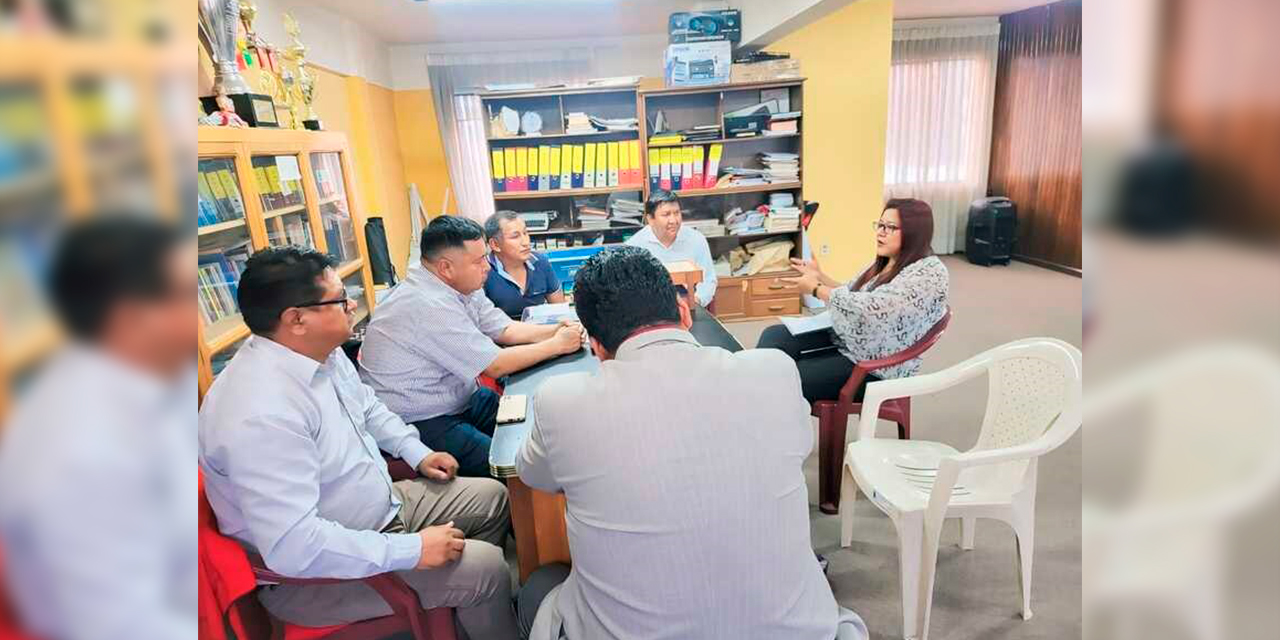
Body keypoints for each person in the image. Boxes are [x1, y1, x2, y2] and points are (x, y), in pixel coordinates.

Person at [515, 246, 868, 640]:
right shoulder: (773, 372)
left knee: (539, 586)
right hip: (799, 631)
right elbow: (798, 445)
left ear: (595, 345)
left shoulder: (561, 401)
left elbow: (533, 474)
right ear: (684, 313)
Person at [198, 246, 518, 640]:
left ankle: (457, 615)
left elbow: (369, 408)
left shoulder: (319, 355)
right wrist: (412, 551)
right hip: (316, 576)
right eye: (338, 299)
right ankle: (472, 600)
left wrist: (417, 452)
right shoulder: (260, 413)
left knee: (493, 498)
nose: (352, 305)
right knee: (485, 568)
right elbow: (296, 548)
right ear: (296, 319)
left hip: (377, 513)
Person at [0, 217, 197, 639]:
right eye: (186, 296)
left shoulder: (142, 388)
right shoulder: (80, 444)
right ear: (132, 317)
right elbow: (119, 621)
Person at [360, 215, 584, 477]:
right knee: (514, 466)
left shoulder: (461, 285)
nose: (487, 266)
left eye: (486, 257)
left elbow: (503, 328)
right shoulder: (428, 304)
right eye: (479, 261)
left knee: (532, 424)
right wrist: (556, 345)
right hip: (422, 419)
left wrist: (554, 331)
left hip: (460, 397)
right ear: (446, 267)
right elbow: (496, 365)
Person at [759, 198, 950, 403]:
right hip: (856, 339)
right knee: (775, 337)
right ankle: (756, 392)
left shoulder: (929, 275)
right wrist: (820, 276)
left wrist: (815, 289)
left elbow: (870, 308)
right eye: (880, 225)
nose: (880, 232)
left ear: (915, 232)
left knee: (788, 382)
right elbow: (851, 293)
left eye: (890, 227)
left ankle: (762, 402)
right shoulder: (890, 260)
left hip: (878, 366)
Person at [624, 189, 718, 307]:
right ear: (650, 219)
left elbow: (708, 279)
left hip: (689, 304)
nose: (673, 220)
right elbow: (629, 288)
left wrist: (697, 300)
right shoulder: (635, 246)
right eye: (666, 214)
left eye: (677, 213)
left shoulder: (696, 239)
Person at [482, 210, 565, 318]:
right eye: (515, 236)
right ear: (495, 244)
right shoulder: (483, 270)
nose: (526, 242)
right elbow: (482, 323)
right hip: (503, 332)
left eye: (525, 233)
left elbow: (560, 310)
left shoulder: (541, 262)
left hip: (541, 329)